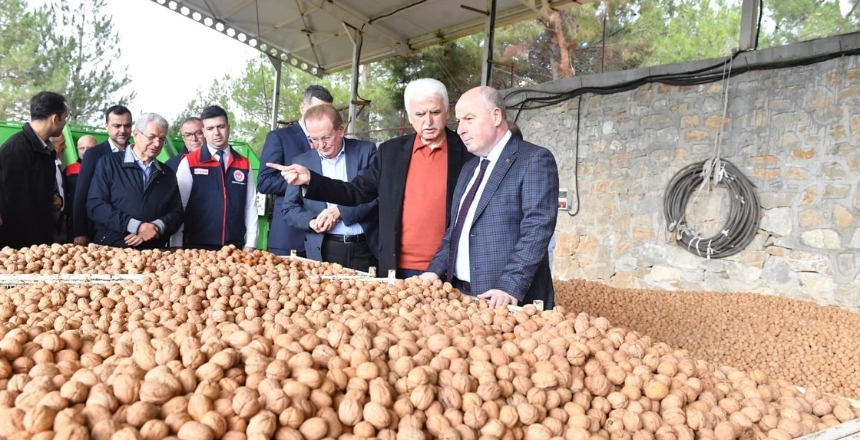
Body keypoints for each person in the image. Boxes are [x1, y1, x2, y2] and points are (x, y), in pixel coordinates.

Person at [267, 78, 473, 277]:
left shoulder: (469, 153)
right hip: (395, 268)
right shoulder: (390, 152)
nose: (428, 122)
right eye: (419, 114)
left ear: (447, 112)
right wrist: (312, 179)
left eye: (435, 112)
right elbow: (356, 191)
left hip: (449, 268)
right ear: (410, 116)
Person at [420, 86, 559, 310]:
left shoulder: (533, 159)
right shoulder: (469, 169)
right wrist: (434, 271)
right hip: (460, 297)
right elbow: (455, 231)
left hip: (506, 302)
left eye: (469, 119)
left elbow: (537, 230)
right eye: (458, 121)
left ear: (495, 116)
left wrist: (509, 286)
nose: (460, 130)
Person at [283, 104, 378, 271]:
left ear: (340, 130)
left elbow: (377, 196)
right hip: (323, 247)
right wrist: (312, 221)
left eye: (326, 137)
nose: (321, 145)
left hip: (366, 247)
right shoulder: (302, 162)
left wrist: (340, 211)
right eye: (313, 139)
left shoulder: (366, 151)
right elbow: (289, 209)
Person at [258, 85, 334, 256]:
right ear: (302, 108)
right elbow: (264, 182)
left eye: (327, 112)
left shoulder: (333, 141)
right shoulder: (280, 137)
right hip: (289, 235)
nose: (322, 116)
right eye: (317, 110)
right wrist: (302, 182)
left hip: (326, 235)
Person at [87, 113, 182, 249]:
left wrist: (155, 227)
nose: (157, 144)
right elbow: (96, 205)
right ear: (136, 134)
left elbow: (177, 213)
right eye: (151, 137)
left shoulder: (167, 173)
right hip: (112, 248)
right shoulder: (109, 163)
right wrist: (135, 226)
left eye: (162, 139)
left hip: (153, 252)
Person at [170, 105, 258, 252]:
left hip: (233, 247)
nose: (216, 133)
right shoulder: (190, 162)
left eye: (221, 127)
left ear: (229, 127)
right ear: (204, 131)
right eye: (210, 128)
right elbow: (179, 206)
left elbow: (250, 205)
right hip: (196, 247)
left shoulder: (243, 163)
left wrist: (251, 242)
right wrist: (176, 243)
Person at [0, 91, 69, 248]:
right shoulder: (16, 148)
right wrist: (36, 244)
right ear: (54, 119)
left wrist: (52, 197)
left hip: (41, 240)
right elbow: (16, 202)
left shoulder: (46, 149)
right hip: (20, 246)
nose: (65, 123)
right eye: (65, 118)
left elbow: (38, 188)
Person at [72, 105, 133, 246]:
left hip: (131, 233)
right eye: (117, 126)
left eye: (127, 126)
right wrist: (80, 232)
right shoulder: (93, 155)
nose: (122, 130)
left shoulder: (137, 154)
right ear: (106, 126)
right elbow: (82, 194)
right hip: (101, 232)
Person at [64, 135, 99, 239]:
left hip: (98, 221)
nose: (85, 151)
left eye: (89, 148)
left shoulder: (104, 167)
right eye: (82, 148)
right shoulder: (69, 169)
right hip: (75, 221)